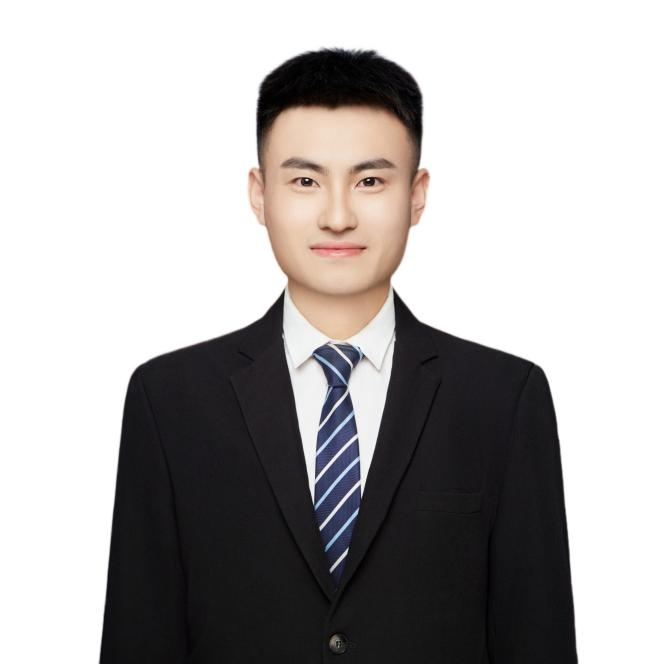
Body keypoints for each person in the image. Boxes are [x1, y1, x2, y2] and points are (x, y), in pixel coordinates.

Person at [99, 47, 578, 663]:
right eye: (305, 181)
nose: (337, 216)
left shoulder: (502, 399)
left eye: (370, 181)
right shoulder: (171, 400)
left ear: (417, 195)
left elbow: (537, 638)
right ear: (259, 194)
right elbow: (140, 637)